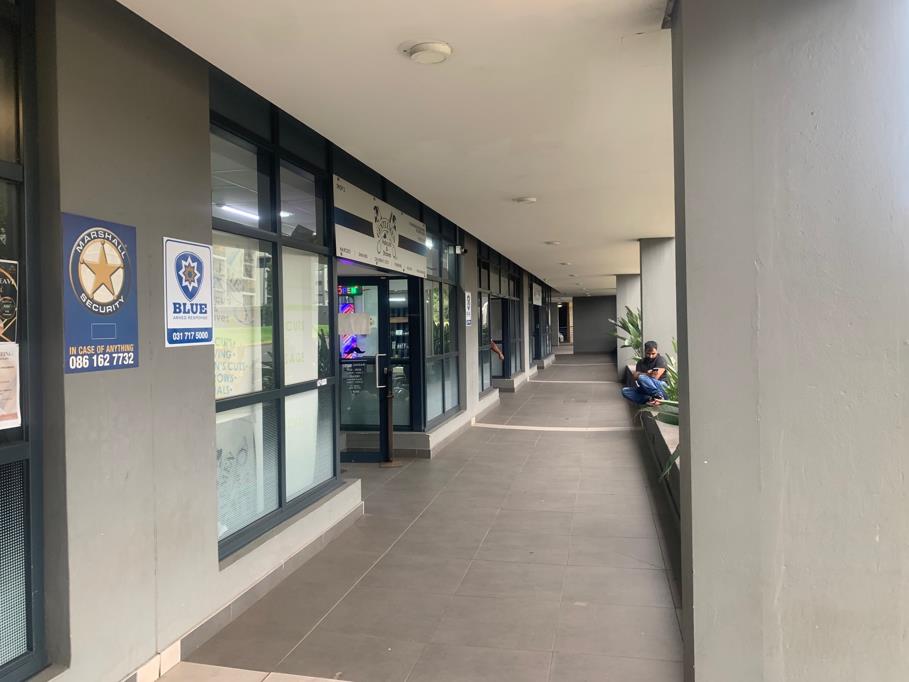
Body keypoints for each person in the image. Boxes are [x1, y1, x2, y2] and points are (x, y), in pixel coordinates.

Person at [622, 340, 668, 406]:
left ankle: (658, 397)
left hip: (661, 387)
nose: (650, 356)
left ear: (657, 352)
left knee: (641, 377)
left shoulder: (661, 360)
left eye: (653, 354)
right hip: (646, 388)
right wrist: (647, 374)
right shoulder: (641, 362)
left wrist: (642, 375)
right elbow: (635, 376)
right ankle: (650, 399)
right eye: (648, 353)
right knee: (625, 391)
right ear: (645, 351)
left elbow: (655, 377)